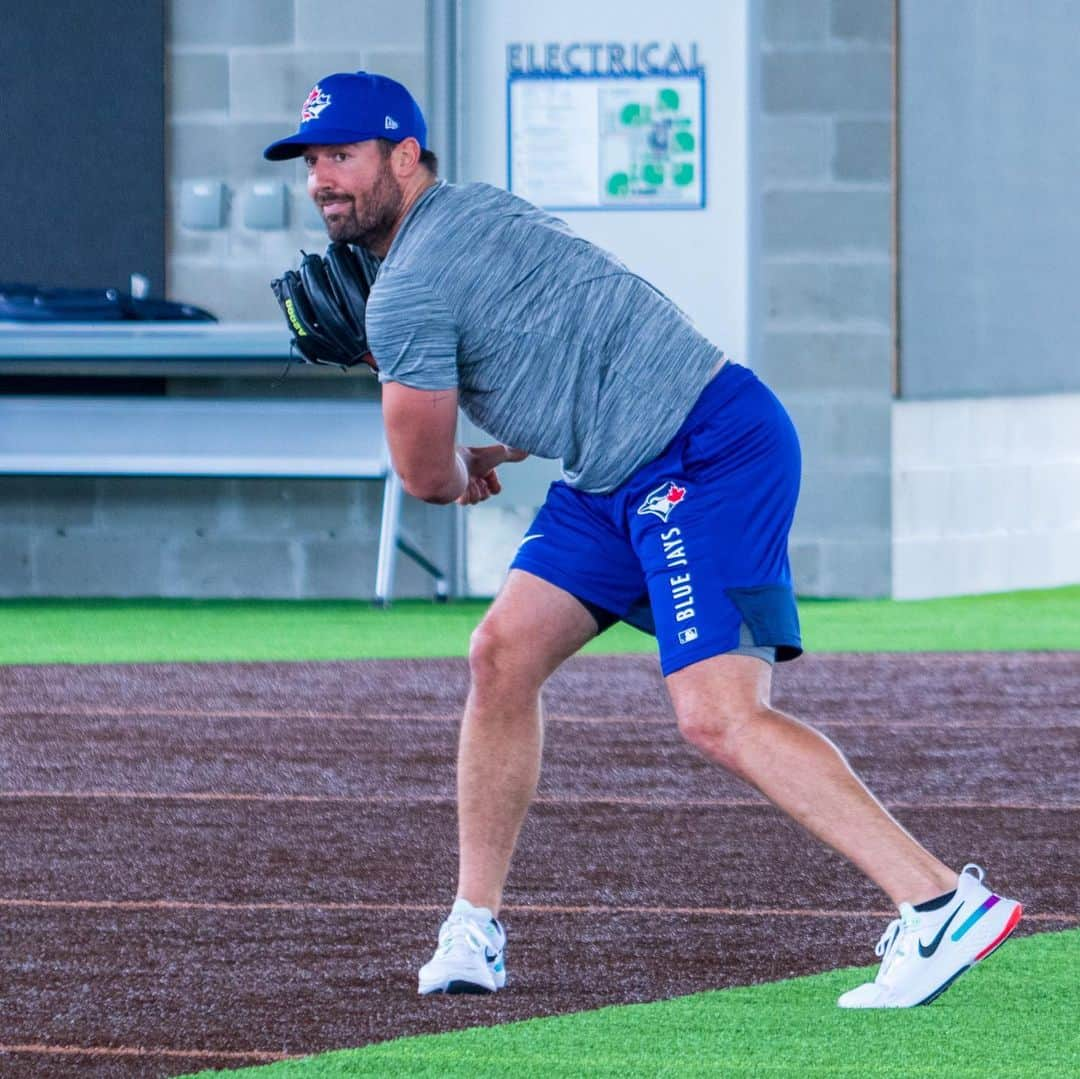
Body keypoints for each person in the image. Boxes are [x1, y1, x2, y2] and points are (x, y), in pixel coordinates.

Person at [264, 71, 1022, 1007]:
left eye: (341, 155)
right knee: (501, 653)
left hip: (700, 453)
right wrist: (495, 445)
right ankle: (474, 926)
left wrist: (455, 455)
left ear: (406, 155)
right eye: (311, 162)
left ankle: (940, 901)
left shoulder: (407, 290)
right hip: (619, 466)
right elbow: (569, 355)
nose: (321, 180)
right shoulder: (479, 211)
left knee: (717, 714)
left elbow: (423, 478)